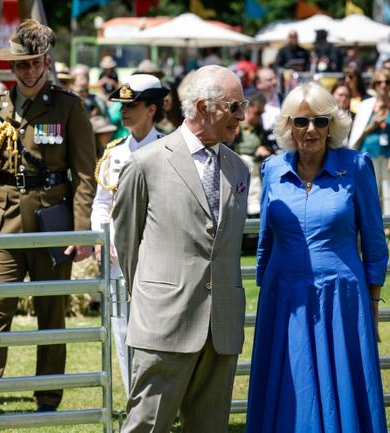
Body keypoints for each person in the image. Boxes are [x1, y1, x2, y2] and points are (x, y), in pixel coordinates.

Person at [0, 19, 96, 417]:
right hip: (3, 222)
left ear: (47, 62)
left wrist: (82, 230)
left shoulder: (68, 107)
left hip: (52, 219)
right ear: (11, 68)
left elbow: (85, 174)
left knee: (50, 312)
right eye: (23, 65)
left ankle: (47, 398)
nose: (31, 71)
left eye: (37, 63)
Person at [113, 65, 250, 433]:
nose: (242, 116)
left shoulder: (239, 169)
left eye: (244, 107)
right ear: (204, 106)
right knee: (146, 425)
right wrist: (153, 297)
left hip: (220, 325)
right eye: (235, 107)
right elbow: (127, 243)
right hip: (164, 322)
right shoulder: (145, 163)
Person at [246, 83, 388, 433]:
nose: (311, 130)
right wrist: (266, 291)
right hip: (283, 297)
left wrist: (372, 302)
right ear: (288, 126)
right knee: (291, 380)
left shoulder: (356, 165)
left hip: (342, 297)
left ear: (332, 126)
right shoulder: (273, 169)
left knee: (341, 380)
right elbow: (265, 238)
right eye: (301, 121)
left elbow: (373, 240)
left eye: (320, 122)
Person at [91, 74, 168, 396]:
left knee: (163, 329)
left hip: (161, 256)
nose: (123, 111)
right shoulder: (114, 152)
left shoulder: (171, 148)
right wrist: (102, 239)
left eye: (132, 105)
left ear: (151, 108)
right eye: (122, 105)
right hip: (119, 255)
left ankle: (163, 397)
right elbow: (101, 203)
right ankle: (133, 399)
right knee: (123, 329)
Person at [348, 69, 390, 215]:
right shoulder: (366, 105)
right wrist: (373, 126)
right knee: (371, 195)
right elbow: (358, 134)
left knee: (388, 196)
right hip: (368, 155)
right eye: (379, 82)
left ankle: (388, 232)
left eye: (387, 82)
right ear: (374, 84)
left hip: (388, 156)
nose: (383, 85)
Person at [230, 91, 272, 217]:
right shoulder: (238, 126)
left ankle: (258, 204)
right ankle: (251, 204)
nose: (259, 116)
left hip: (257, 160)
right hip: (241, 160)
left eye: (261, 113)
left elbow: (267, 144)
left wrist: (264, 149)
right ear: (249, 108)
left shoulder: (259, 128)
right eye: (257, 113)